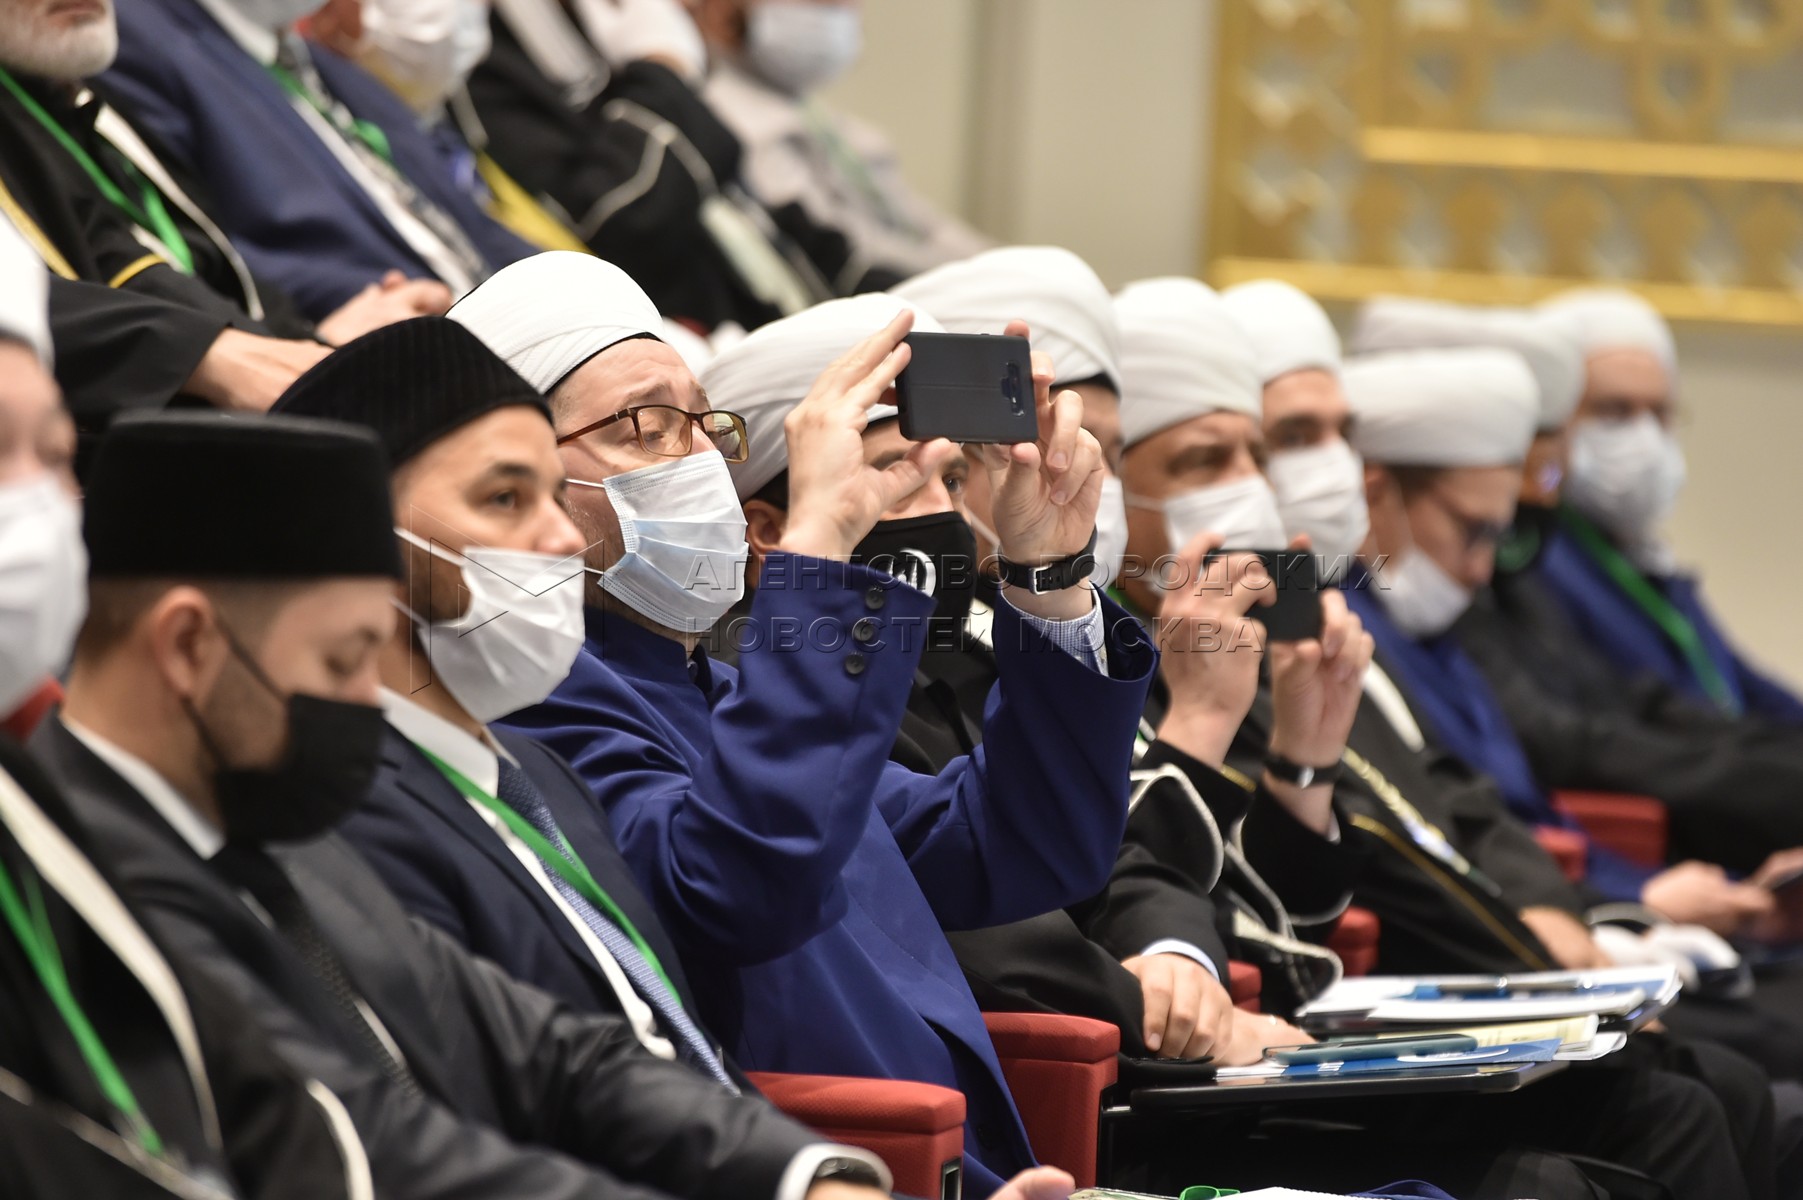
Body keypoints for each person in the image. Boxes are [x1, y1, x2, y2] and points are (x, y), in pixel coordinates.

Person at [31, 396, 955, 1200]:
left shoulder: (270, 835)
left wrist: (807, 1179)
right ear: (188, 648)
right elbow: (360, 1146)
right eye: (343, 662)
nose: (370, 701)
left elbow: (562, 1058)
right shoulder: (99, 855)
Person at [450, 250, 1155, 1197]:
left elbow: (1023, 844)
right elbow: (731, 887)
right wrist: (817, 552)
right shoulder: (533, 708)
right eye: (645, 427)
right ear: (515, 490)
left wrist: (1049, 577)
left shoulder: (714, 688)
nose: (698, 459)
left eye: (702, 425)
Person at [270, 309, 743, 1088]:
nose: (563, 539)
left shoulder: (542, 776)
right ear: (360, 534)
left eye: (554, 496)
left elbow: (672, 1044)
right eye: (503, 499)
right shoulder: (344, 815)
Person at [1354, 295, 1803, 879]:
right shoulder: (1374, 618)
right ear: (1375, 493)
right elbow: (1491, 810)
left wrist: (1633, 899)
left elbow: (1527, 803)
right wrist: (1636, 902)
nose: (1546, 483)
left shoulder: (1448, 603)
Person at [0, 0, 454, 464]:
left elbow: (169, 256)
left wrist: (308, 338)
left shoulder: (77, 93)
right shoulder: (133, 54)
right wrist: (204, 351)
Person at [459, 0, 892, 329]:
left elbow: (768, 226)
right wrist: (664, 68)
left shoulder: (614, 32)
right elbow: (623, 226)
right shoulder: (482, 51)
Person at [98, 0, 534, 319]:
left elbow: (465, 221)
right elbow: (214, 252)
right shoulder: (138, 42)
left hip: (493, 315)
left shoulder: (309, 56)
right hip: (398, 343)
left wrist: (557, 280)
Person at [1534, 288, 1803, 723]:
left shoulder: (1648, 563)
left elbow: (1750, 690)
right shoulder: (1535, 565)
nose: (1644, 439)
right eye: (1614, 410)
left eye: (1660, 413)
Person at [693, 0, 990, 278]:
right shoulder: (731, 131)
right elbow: (847, 254)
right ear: (721, 10)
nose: (839, 12)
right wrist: (977, 277)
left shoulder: (824, 122)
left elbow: (920, 224)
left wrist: (995, 265)